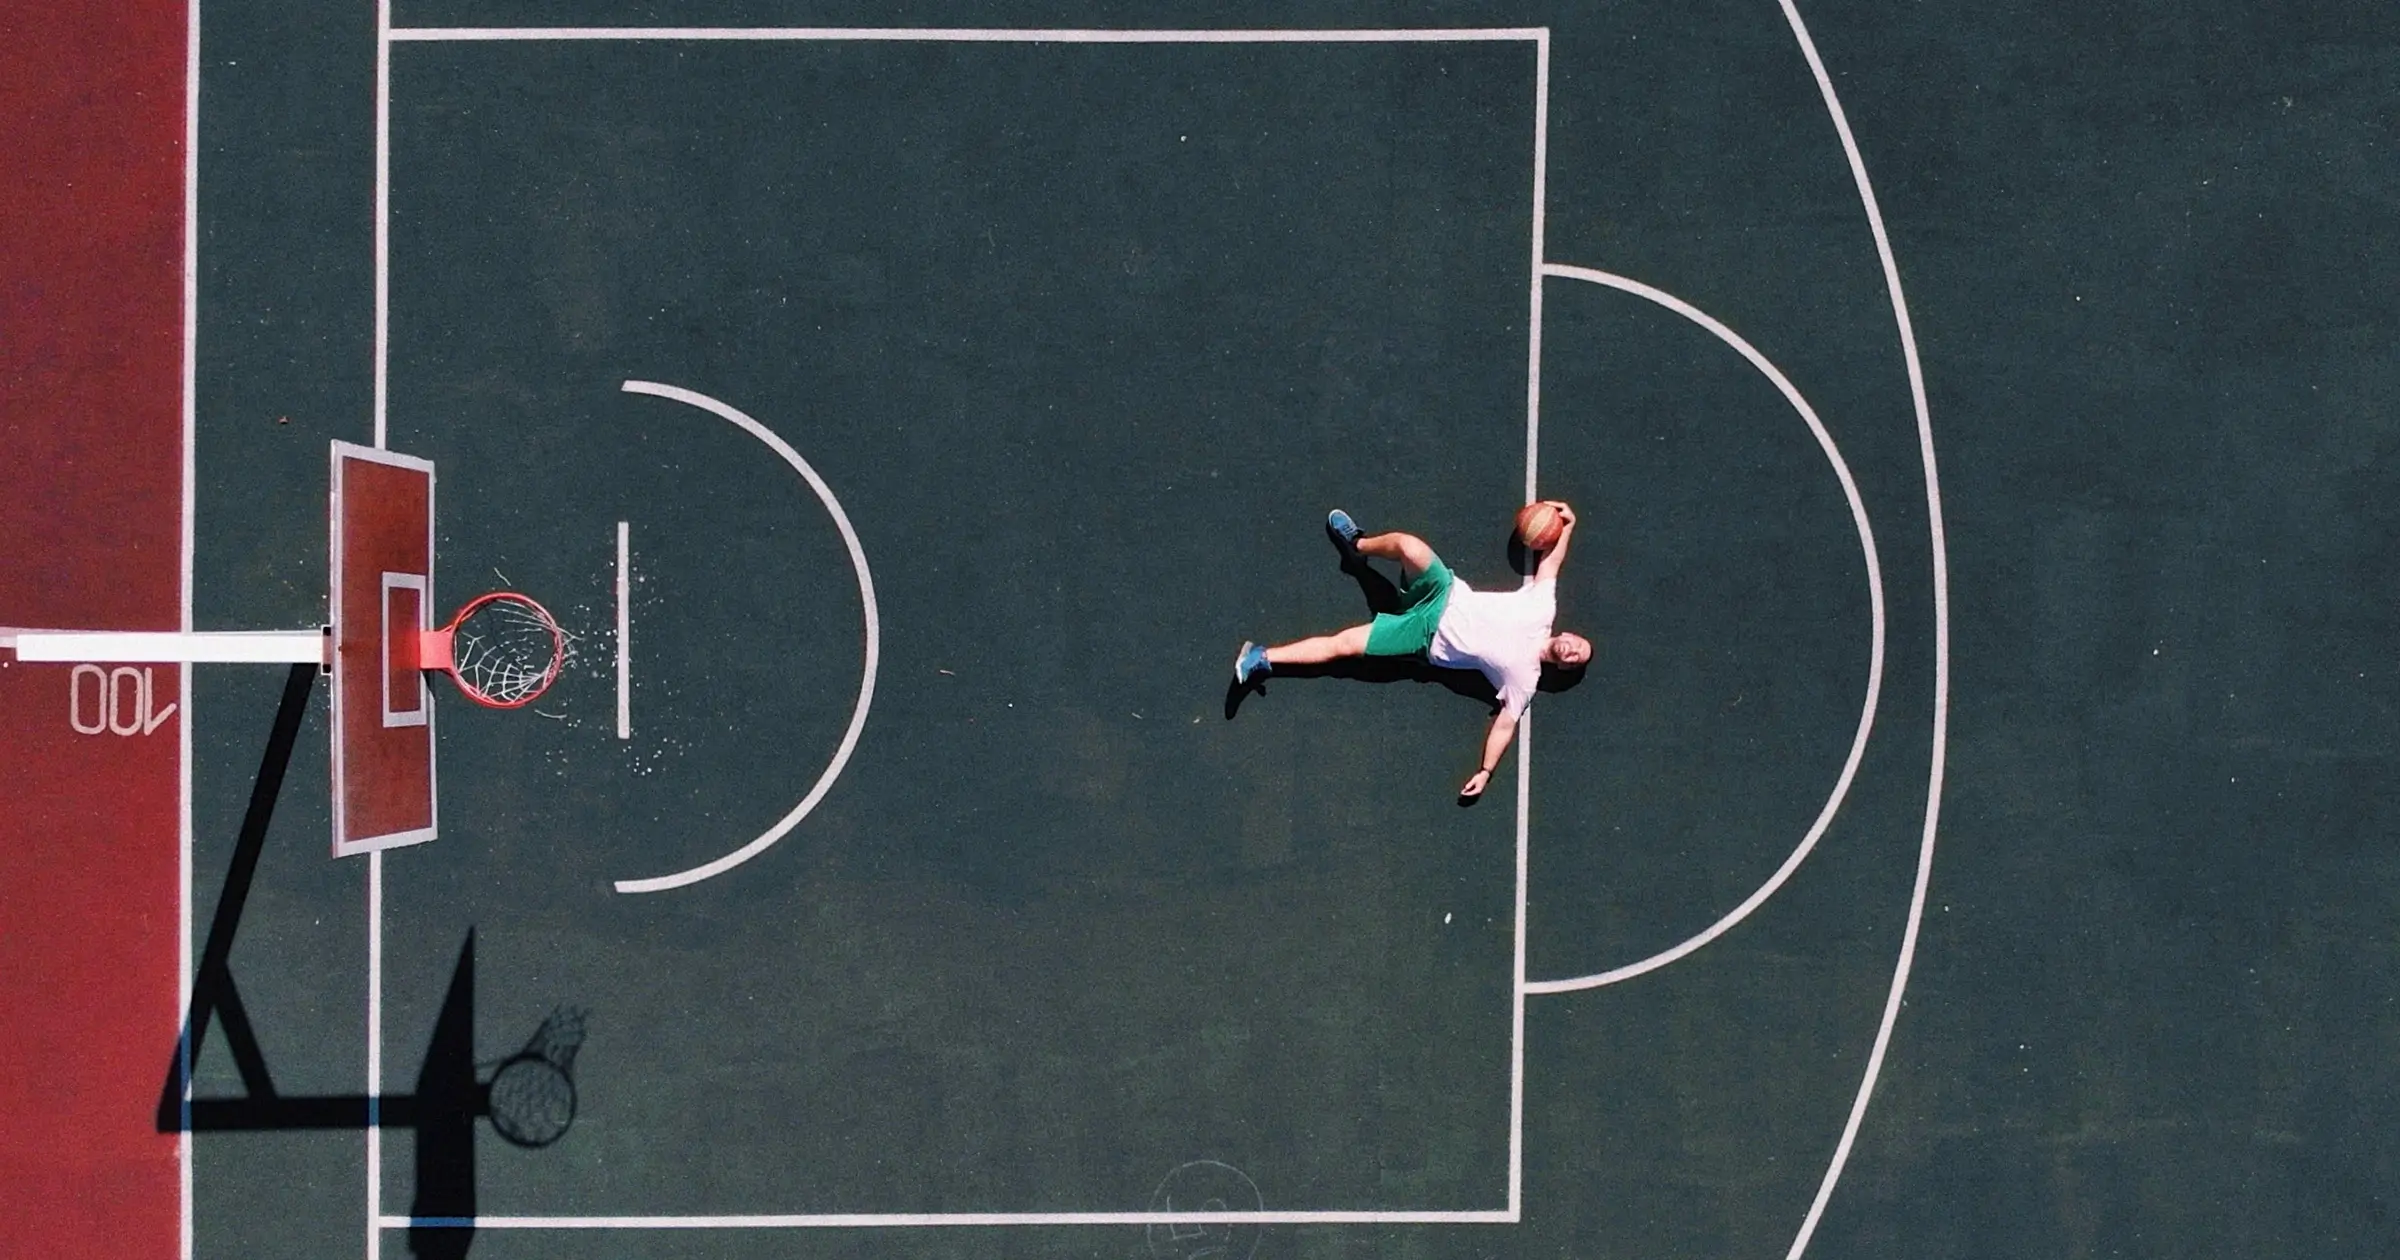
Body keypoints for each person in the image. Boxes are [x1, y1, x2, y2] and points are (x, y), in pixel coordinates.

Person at [1234, 506, 1592, 799]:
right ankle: (1357, 546)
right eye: (1578, 645)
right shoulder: (1542, 609)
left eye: (1576, 658)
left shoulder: (1525, 678)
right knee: (1409, 545)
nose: (1573, 650)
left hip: (1423, 637)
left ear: (1564, 665)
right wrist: (1568, 526)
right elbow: (1549, 564)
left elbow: (1505, 725)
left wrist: (1485, 771)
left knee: (1343, 646)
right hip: (1444, 592)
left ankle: (1261, 658)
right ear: (1569, 634)